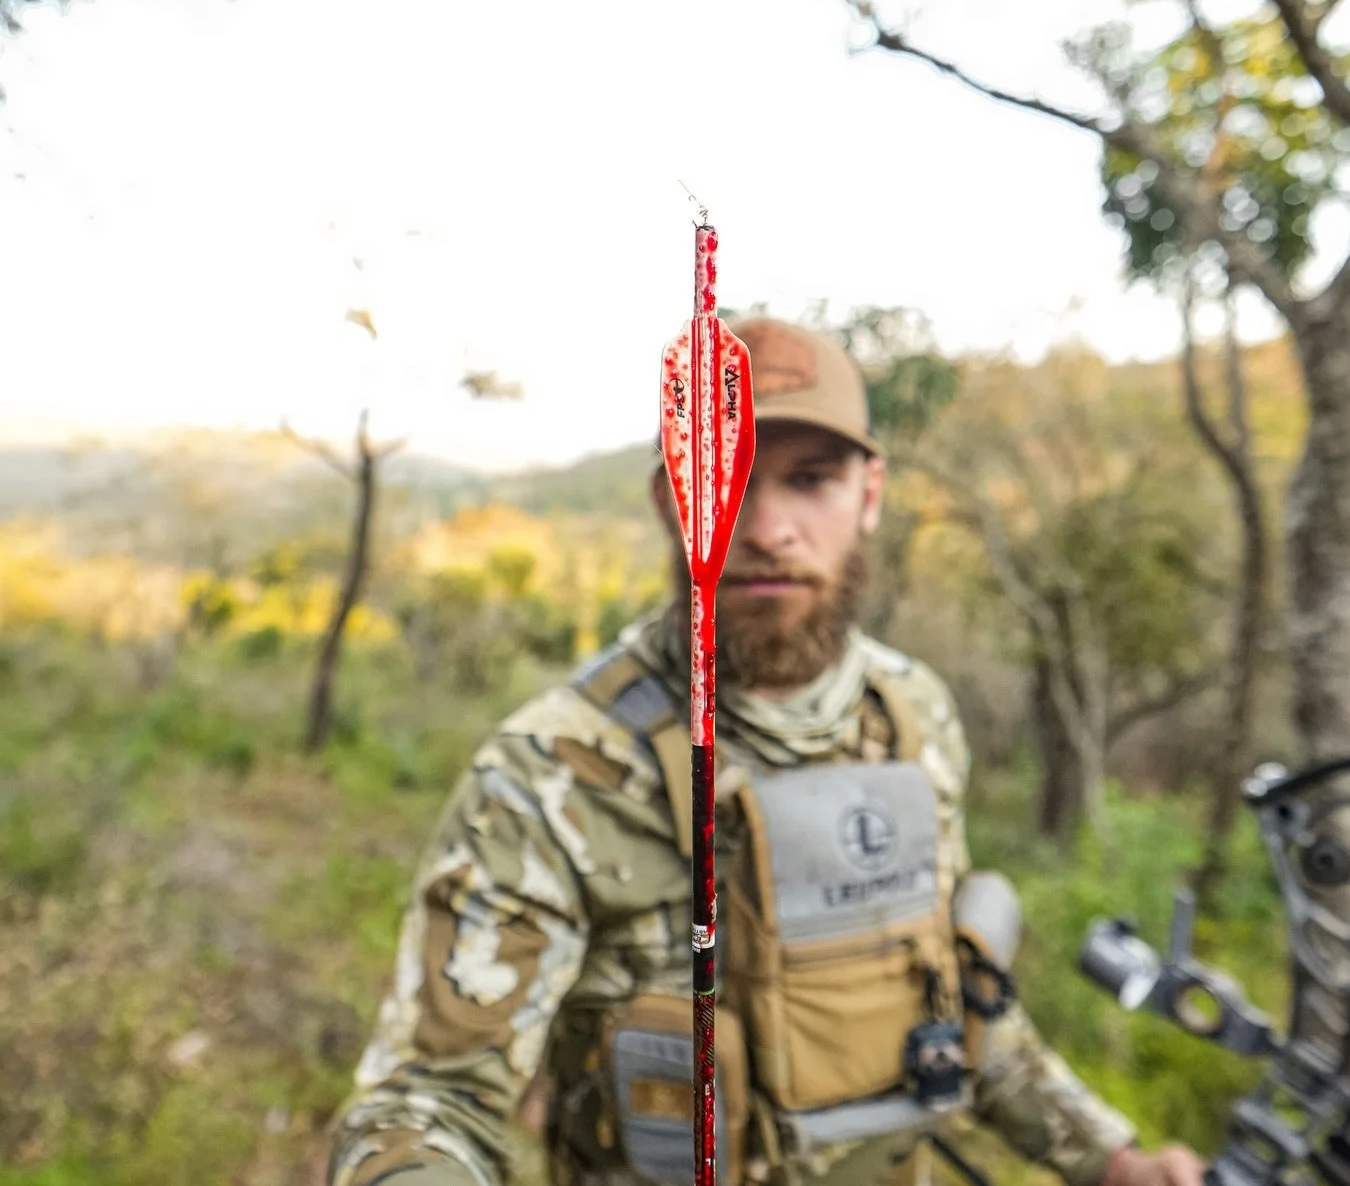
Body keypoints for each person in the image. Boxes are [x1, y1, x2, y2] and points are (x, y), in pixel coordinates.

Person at [327, 318, 1207, 1186]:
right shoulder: (555, 771)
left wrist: (1112, 1158)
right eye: (727, 479)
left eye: (811, 480)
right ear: (672, 497)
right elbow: (428, 1104)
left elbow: (956, 1002)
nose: (766, 528)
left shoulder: (913, 720)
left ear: (869, 494)